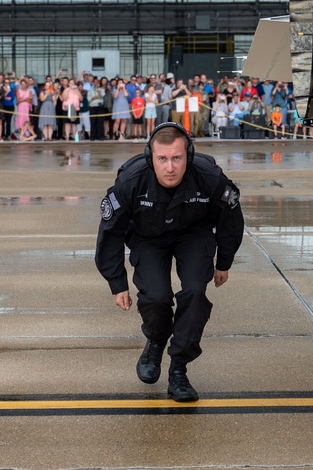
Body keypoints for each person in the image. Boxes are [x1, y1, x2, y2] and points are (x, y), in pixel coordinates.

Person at [94, 122, 244, 402]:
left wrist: (223, 262)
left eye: (177, 158)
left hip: (193, 234)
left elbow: (231, 221)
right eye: (162, 159)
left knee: (195, 293)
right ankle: (155, 340)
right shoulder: (131, 181)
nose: (170, 167)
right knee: (156, 297)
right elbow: (110, 233)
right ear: (151, 157)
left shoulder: (210, 177)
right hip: (148, 237)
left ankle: (178, 369)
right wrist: (117, 283)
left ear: (189, 154)